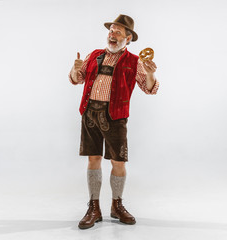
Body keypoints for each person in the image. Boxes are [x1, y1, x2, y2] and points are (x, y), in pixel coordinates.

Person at [69, 14, 159, 229]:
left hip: (116, 116)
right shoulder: (94, 55)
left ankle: (116, 205)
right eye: (111, 31)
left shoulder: (135, 61)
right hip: (90, 113)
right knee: (93, 159)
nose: (113, 35)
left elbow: (150, 89)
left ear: (128, 38)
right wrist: (75, 68)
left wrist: (150, 74)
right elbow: (76, 79)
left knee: (118, 161)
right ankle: (94, 206)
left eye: (118, 32)